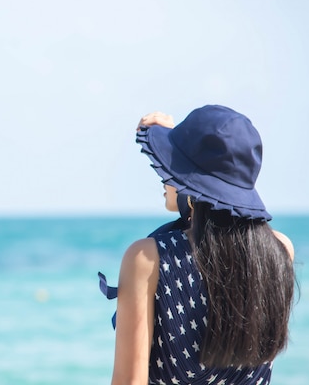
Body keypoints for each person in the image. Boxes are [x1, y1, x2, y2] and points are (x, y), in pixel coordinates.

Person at [100, 105, 295, 385]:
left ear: (189, 186)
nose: (163, 175)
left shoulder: (147, 259)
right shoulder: (279, 251)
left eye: (171, 168)